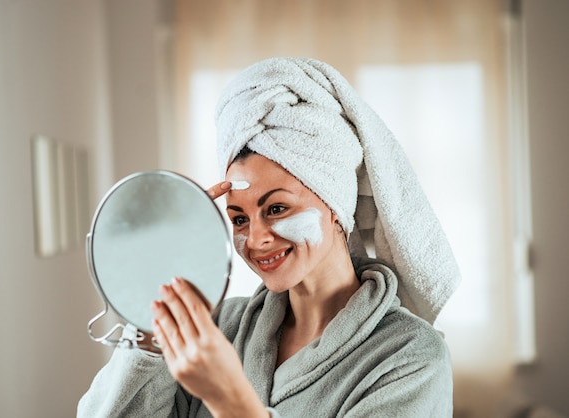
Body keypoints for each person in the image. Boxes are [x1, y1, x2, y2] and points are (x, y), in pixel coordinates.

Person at [77, 57, 460, 417]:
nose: (256, 240)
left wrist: (231, 399)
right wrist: (151, 314)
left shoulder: (411, 356)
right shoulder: (218, 329)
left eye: (276, 209)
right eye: (239, 218)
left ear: (334, 204)